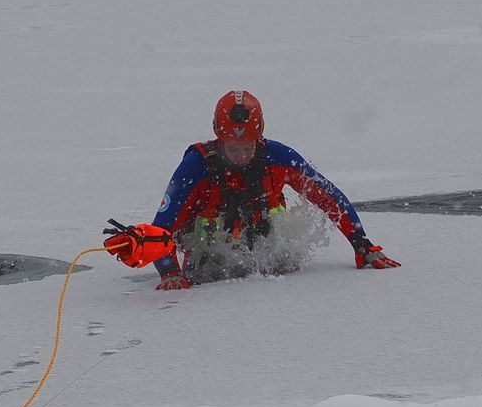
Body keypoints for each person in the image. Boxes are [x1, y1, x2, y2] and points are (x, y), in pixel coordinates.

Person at [105, 91, 399, 290]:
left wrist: (362, 244)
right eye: (232, 148)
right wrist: (169, 273)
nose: (241, 156)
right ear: (218, 137)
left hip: (270, 256)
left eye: (248, 147)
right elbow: (161, 230)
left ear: (260, 138)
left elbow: (328, 196)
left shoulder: (279, 157)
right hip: (207, 264)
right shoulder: (194, 168)